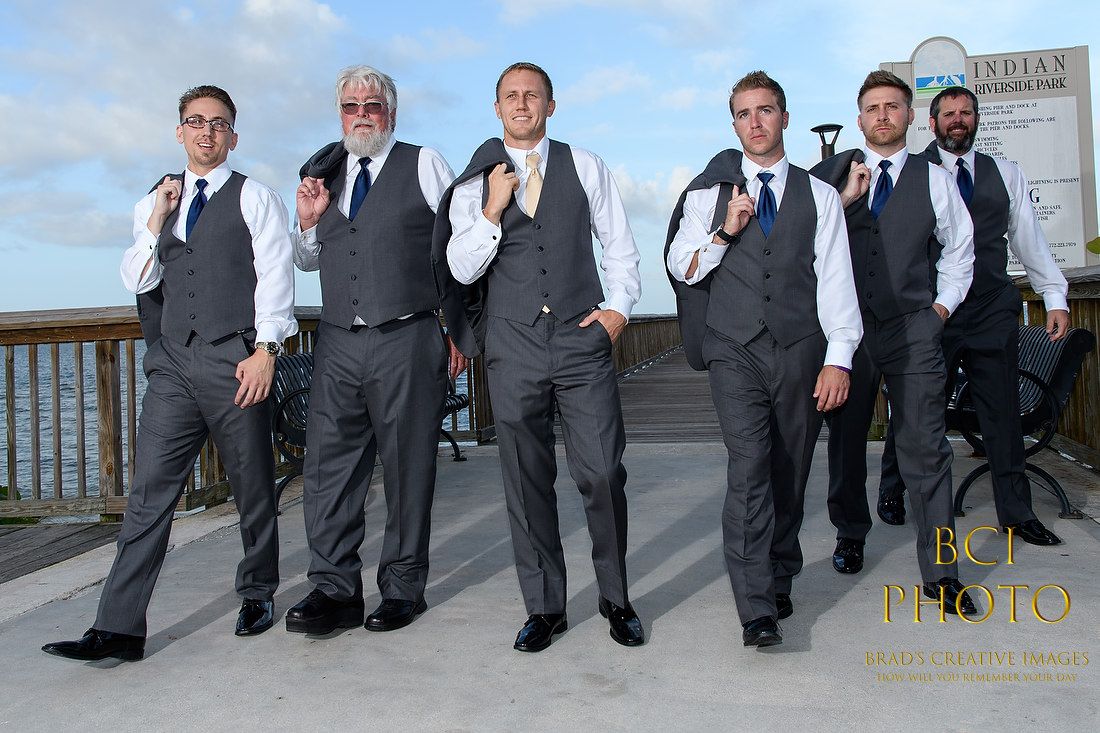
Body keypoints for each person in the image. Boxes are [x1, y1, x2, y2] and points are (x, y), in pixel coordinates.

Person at [43, 85, 297, 661]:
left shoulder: (257, 197)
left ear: (233, 136)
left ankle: (258, 591)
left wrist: (265, 350)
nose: (207, 131)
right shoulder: (155, 201)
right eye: (196, 121)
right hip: (174, 366)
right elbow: (139, 279)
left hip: (236, 358)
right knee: (148, 495)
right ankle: (118, 628)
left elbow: (276, 279)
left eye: (218, 123)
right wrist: (157, 220)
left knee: (253, 485)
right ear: (179, 131)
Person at [436, 61, 644, 653]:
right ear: (497, 109)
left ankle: (615, 597)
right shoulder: (476, 184)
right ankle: (546, 607)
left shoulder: (587, 166)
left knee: (602, 471)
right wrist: (491, 210)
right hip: (512, 342)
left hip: (581, 337)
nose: (522, 104)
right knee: (527, 480)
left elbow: (620, 248)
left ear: (550, 106)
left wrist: (618, 312)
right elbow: (460, 269)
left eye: (533, 95)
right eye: (511, 96)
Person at [666, 71, 862, 647]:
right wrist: (724, 233)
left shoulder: (820, 196)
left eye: (765, 110)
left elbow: (836, 282)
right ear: (734, 125)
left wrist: (839, 358)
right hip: (734, 348)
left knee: (790, 470)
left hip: (801, 348)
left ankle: (780, 570)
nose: (755, 122)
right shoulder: (707, 196)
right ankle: (755, 608)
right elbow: (682, 267)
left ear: (784, 117)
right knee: (750, 467)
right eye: (743, 113)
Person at [284, 65, 467, 636]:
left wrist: (458, 330)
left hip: (407, 336)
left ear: (391, 112)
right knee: (327, 470)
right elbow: (307, 260)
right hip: (338, 341)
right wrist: (307, 222)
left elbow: (460, 250)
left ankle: (403, 589)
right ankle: (335, 589)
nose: (361, 114)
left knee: (409, 468)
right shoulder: (325, 175)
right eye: (350, 106)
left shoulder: (424, 163)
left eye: (372, 104)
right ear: (340, 115)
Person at [810, 71, 978, 614]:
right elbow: (801, 243)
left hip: (913, 329)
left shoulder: (935, 180)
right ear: (860, 120)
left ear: (909, 116)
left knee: (927, 448)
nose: (882, 115)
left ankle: (942, 572)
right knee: (846, 439)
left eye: (892, 106)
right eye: (872, 108)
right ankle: (850, 534)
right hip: (849, 331)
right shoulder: (829, 180)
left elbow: (960, 249)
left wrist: (940, 309)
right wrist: (844, 200)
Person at [874, 86, 1070, 546]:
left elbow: (1028, 238)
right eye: (949, 114)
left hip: (991, 309)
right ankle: (893, 489)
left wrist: (1055, 296)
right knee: (916, 408)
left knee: (1001, 412)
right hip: (931, 310)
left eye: (965, 113)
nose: (957, 120)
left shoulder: (1007, 173)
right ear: (932, 123)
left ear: (976, 119)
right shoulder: (910, 173)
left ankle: (1017, 513)